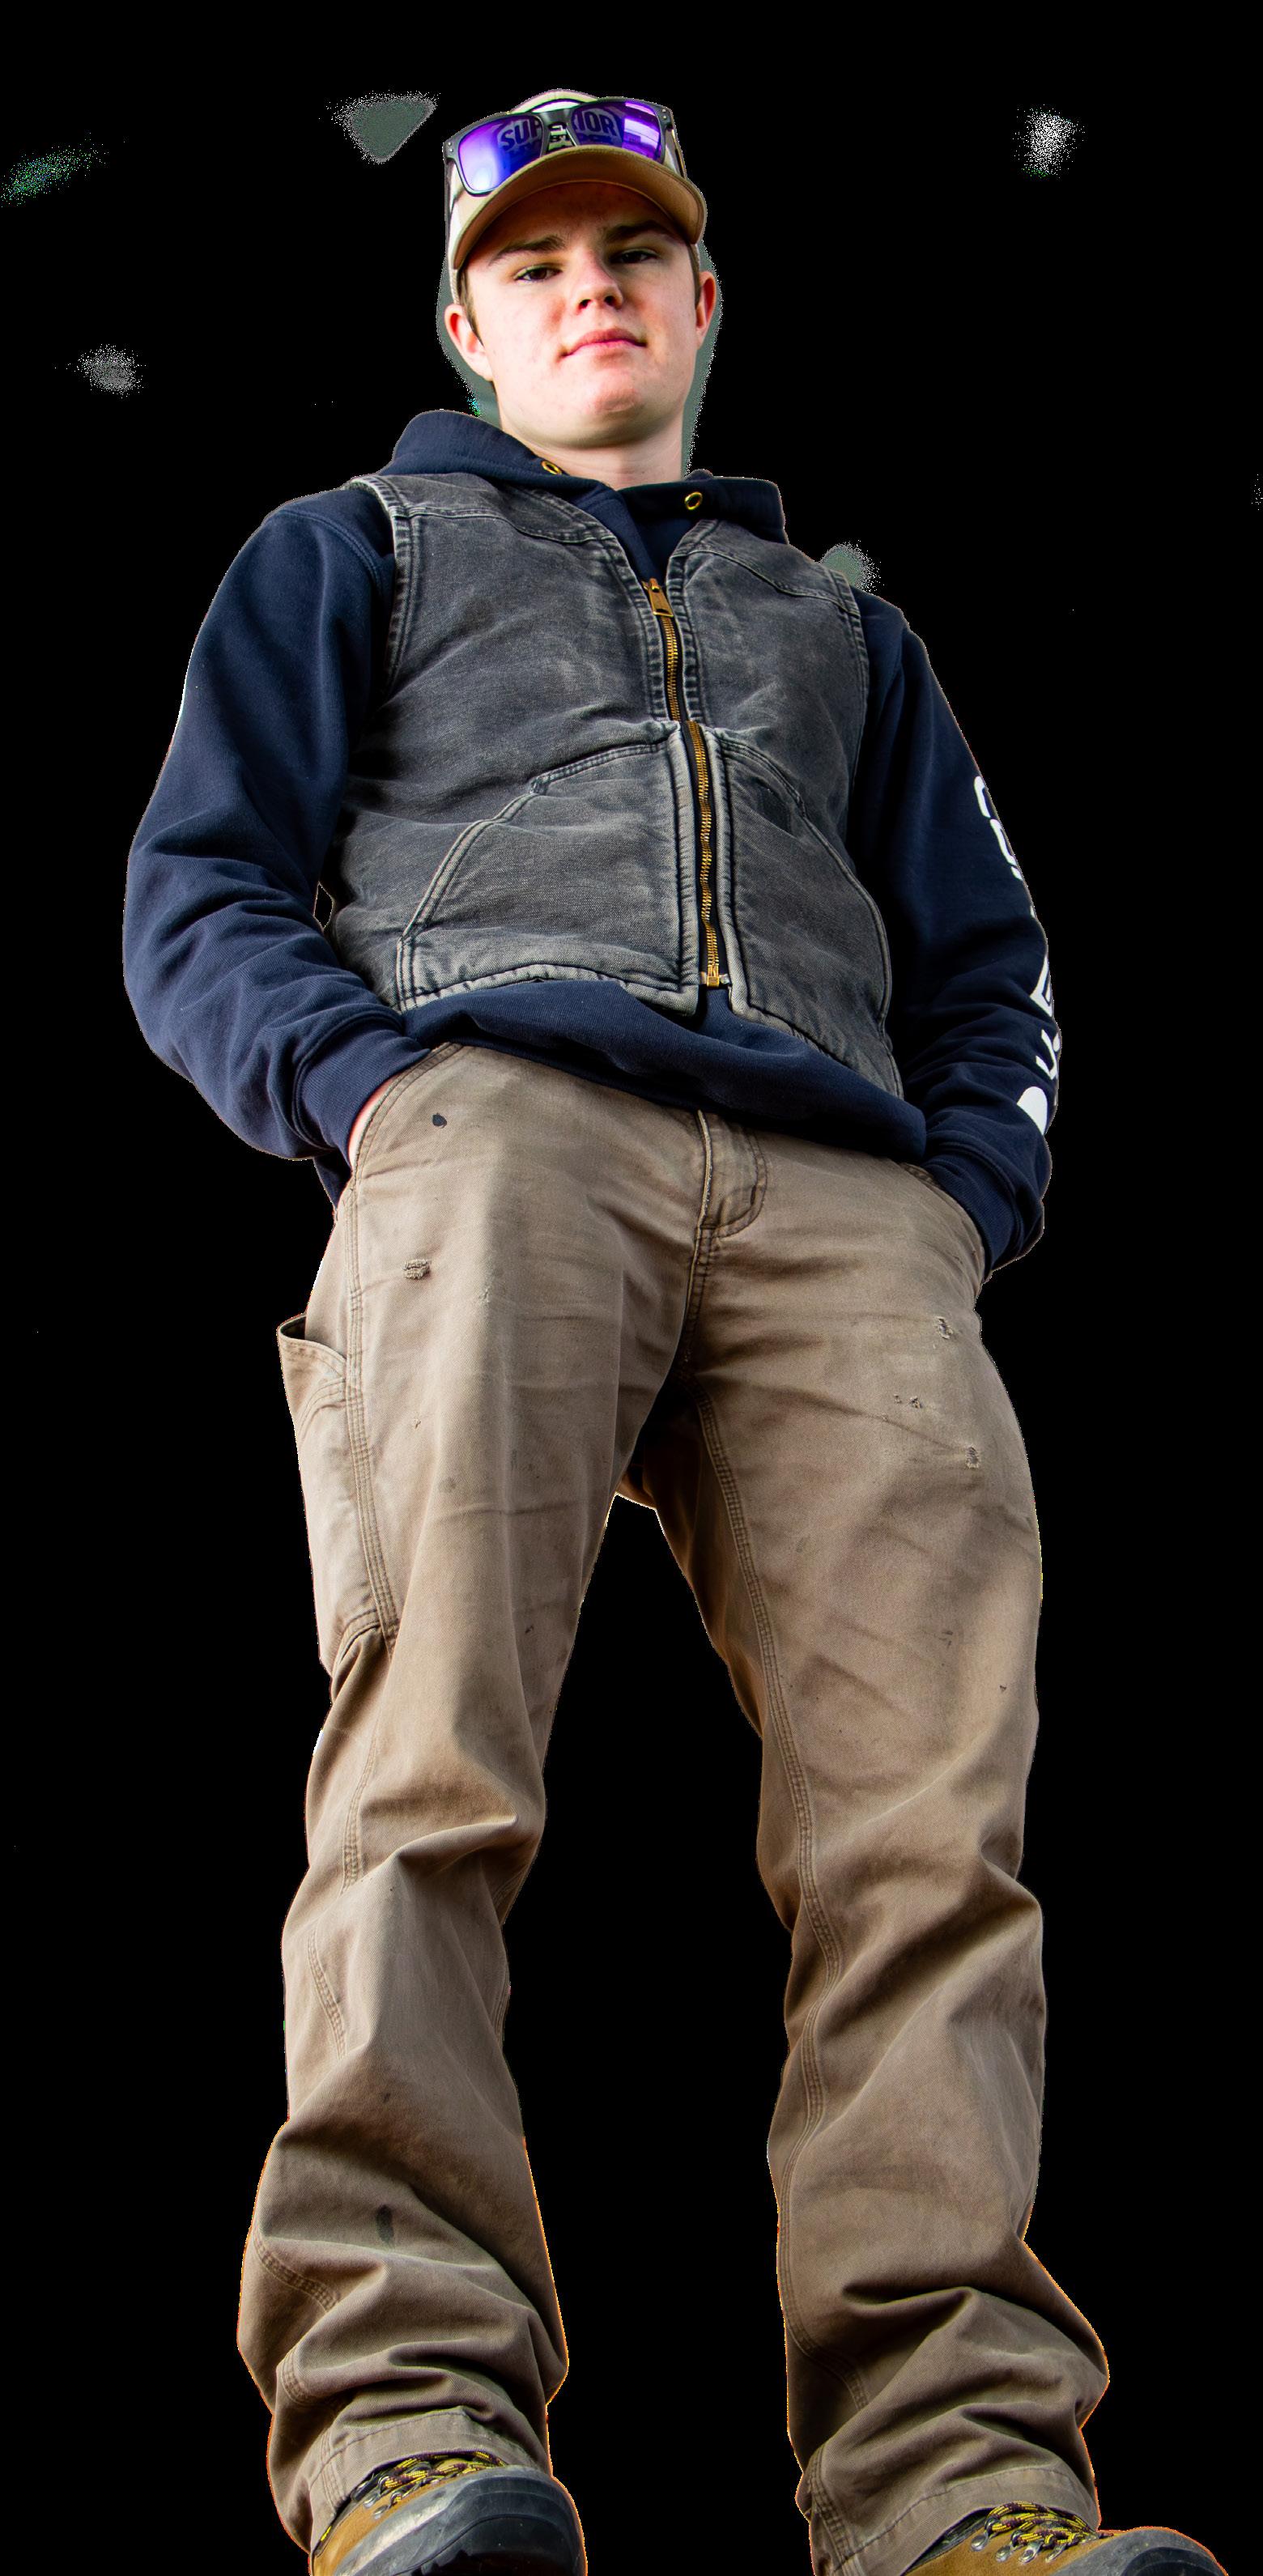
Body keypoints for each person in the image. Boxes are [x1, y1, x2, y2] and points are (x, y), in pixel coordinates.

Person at [120, 87, 1225, 2576]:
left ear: (705, 302)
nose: (589, 290)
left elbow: (994, 961)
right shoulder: (350, 546)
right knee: (433, 1760)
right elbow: (198, 889)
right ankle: (406, 2428)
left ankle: (962, 2485)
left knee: (932, 1840)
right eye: (533, 265)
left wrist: (961, 1202)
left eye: (633, 253)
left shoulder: (847, 630)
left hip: (844, 1207)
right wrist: (380, 1098)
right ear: (466, 326)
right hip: (499, 1127)